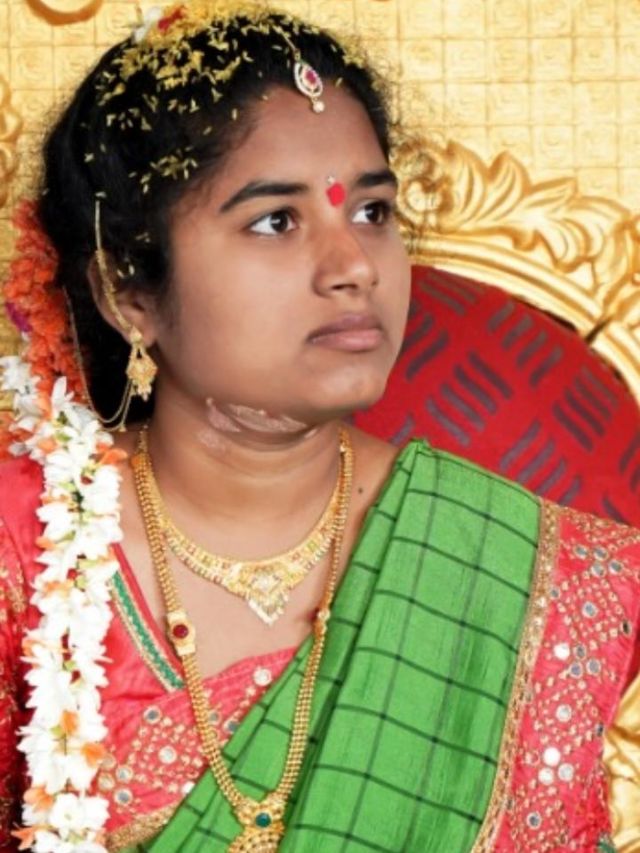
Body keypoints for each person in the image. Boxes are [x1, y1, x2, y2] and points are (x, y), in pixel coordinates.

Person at [0, 2, 638, 851]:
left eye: (372, 212)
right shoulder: (23, 548)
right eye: (276, 221)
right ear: (129, 293)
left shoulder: (526, 575)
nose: (353, 267)